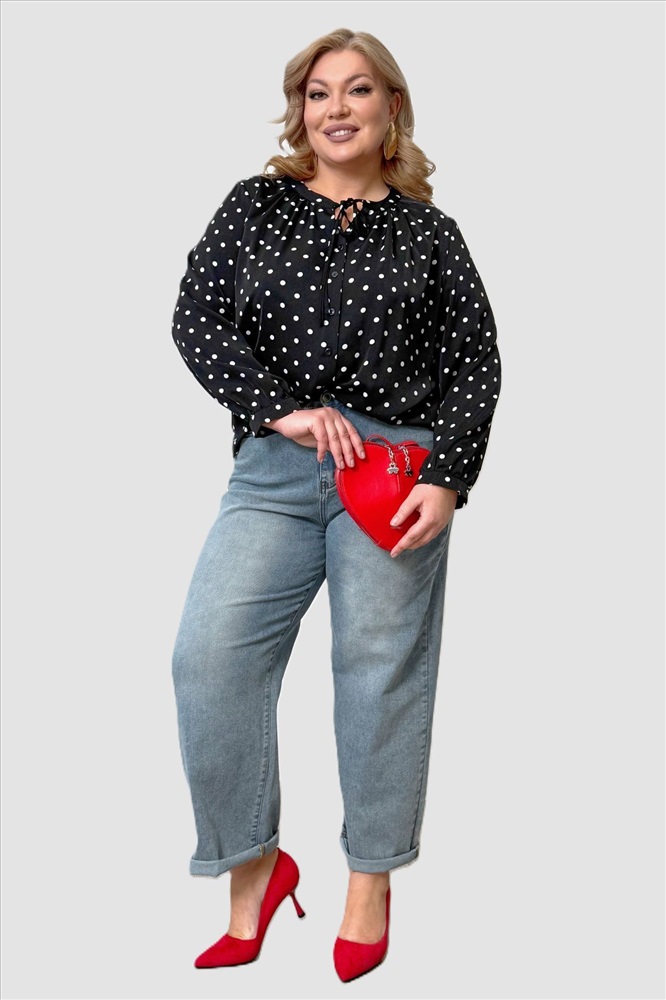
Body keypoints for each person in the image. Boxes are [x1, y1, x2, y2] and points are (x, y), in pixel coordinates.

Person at [170, 26, 501, 983]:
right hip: (275, 472)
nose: (337, 109)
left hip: (394, 475)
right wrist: (280, 408)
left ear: (391, 108)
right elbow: (195, 315)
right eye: (319, 93)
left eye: (358, 90)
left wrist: (449, 476)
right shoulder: (256, 206)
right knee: (208, 658)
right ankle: (256, 866)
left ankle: (370, 881)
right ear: (300, 111)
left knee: (377, 676)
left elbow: (475, 363)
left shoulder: (431, 235)